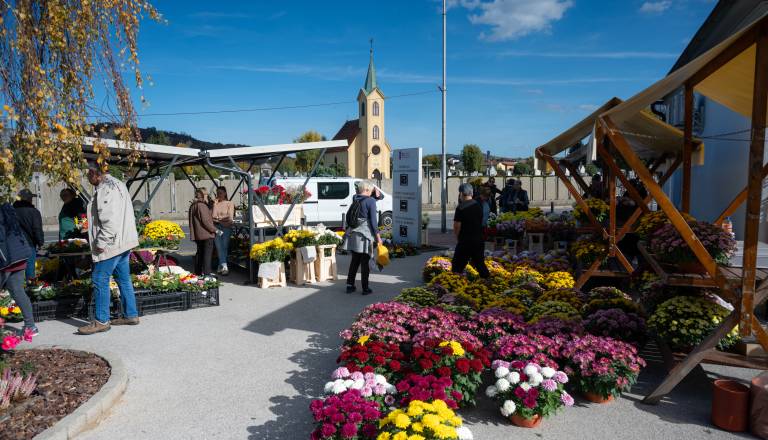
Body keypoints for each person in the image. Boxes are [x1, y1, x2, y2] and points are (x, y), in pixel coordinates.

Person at [78, 164, 140, 335]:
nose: (88, 179)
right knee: (123, 279)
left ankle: (101, 321)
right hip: (123, 242)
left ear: (94, 173)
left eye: (88, 174)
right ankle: (131, 314)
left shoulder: (105, 189)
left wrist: (100, 243)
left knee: (99, 279)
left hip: (111, 244)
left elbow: (109, 221)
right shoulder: (118, 184)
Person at [0, 203, 38, 336]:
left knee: (17, 291)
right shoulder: (8, 209)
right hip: (19, 256)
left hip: (6, 259)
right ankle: (31, 326)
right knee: (18, 292)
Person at [341, 180, 382, 295]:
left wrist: (374, 193)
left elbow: (369, 196)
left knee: (354, 260)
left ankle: (350, 285)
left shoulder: (355, 198)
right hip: (365, 236)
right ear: (368, 190)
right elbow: (374, 222)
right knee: (365, 262)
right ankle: (365, 288)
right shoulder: (371, 201)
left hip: (354, 234)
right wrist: (378, 238)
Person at [452, 183, 490, 278]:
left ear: (461, 194)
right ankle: (488, 282)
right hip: (479, 239)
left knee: (457, 265)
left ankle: (455, 284)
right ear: (471, 193)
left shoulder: (461, 207)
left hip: (465, 240)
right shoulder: (478, 205)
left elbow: (457, 226)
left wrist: (457, 237)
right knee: (479, 263)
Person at [13, 189, 44, 281]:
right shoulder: (34, 212)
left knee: (16, 272)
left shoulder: (12, 211)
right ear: (29, 199)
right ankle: (30, 291)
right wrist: (40, 242)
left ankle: (17, 291)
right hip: (29, 245)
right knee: (30, 271)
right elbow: (37, 229)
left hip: (14, 246)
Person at [189, 188, 216, 276]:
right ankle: (207, 274)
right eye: (207, 194)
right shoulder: (201, 205)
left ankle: (198, 273)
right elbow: (206, 221)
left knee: (199, 254)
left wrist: (210, 206)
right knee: (207, 255)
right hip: (206, 234)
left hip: (198, 234)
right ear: (203, 195)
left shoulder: (193, 205)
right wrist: (215, 230)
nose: (208, 196)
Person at [212, 186, 235, 275]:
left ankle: (220, 265)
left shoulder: (230, 203)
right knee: (219, 247)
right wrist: (214, 205)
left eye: (220, 193)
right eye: (217, 193)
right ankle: (224, 266)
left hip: (226, 227)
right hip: (217, 227)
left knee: (224, 247)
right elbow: (213, 217)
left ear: (225, 193)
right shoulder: (216, 204)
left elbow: (230, 216)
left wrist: (219, 218)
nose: (219, 195)